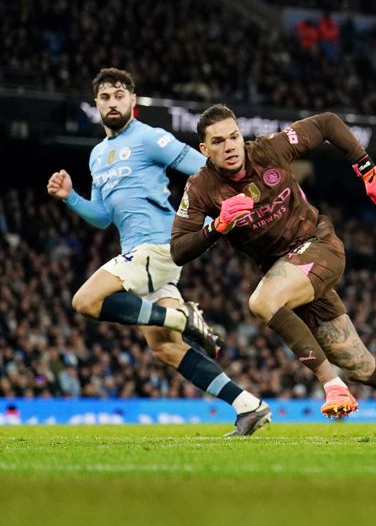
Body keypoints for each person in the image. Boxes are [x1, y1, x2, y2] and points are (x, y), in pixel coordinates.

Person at [169, 104, 376, 437]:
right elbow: (178, 250)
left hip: (319, 246)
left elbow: (328, 123)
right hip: (288, 271)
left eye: (234, 137)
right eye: (218, 141)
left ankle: (331, 385)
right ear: (204, 149)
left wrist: (368, 170)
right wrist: (218, 226)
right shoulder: (201, 188)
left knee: (262, 301)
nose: (230, 146)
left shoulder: (270, 149)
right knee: (361, 365)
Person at [46, 68, 269, 436]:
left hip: (158, 246)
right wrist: (70, 196)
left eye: (119, 95)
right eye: (105, 97)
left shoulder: (149, 138)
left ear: (133, 101)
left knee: (85, 300)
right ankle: (248, 406)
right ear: (97, 104)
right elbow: (103, 218)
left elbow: (201, 166)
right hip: (140, 254)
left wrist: (206, 209)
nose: (112, 102)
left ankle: (183, 318)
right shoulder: (98, 156)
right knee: (165, 350)